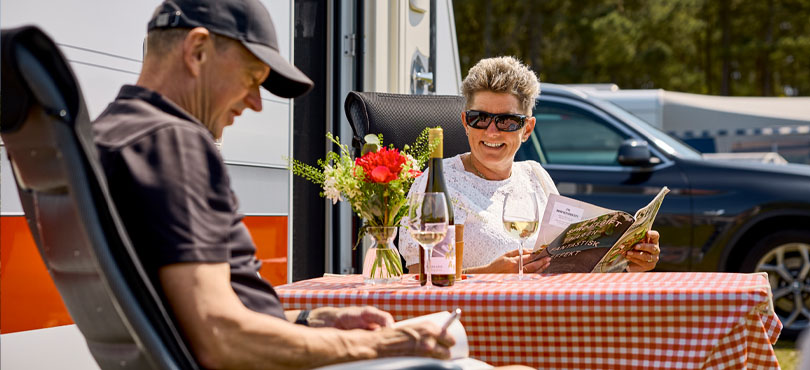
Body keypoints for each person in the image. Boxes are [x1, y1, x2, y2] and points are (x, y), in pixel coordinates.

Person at [92, 1, 462, 369]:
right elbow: (220, 335)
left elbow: (201, 319)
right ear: (198, 51)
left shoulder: (107, 137)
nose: (256, 103)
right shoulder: (173, 142)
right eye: (252, 78)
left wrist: (313, 320)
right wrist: (380, 345)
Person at [400, 56, 661, 275]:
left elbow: (566, 263)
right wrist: (490, 275)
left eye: (507, 121)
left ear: (527, 129)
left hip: (539, 317)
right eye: (480, 118)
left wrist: (631, 262)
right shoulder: (438, 183)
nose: (491, 131)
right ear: (465, 122)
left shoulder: (535, 176)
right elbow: (416, 279)